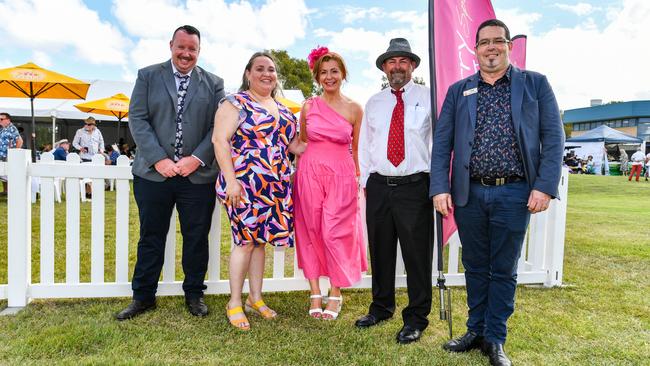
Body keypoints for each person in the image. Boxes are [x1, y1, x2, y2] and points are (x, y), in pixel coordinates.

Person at [430, 19, 564, 366]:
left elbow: (553, 137)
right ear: (474, 50)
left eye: (497, 41)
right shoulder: (459, 90)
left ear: (508, 46)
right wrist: (439, 187)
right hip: (469, 194)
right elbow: (442, 143)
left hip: (515, 192)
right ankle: (475, 330)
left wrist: (544, 187)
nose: (491, 48)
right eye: (484, 43)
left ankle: (495, 338)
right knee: (474, 265)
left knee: (503, 268)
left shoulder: (535, 84)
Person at [116, 25, 225, 321]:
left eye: (192, 49)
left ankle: (194, 294)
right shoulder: (148, 76)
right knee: (151, 235)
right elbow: (138, 119)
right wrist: (159, 159)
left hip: (196, 176)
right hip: (154, 175)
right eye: (181, 47)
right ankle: (143, 297)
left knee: (196, 236)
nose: (186, 53)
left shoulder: (214, 83)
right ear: (171, 45)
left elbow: (219, 126)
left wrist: (197, 158)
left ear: (199, 51)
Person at [213, 51, 303, 331]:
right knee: (244, 241)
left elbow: (294, 146)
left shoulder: (286, 109)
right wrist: (231, 180)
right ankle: (234, 302)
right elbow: (220, 140)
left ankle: (255, 298)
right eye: (260, 68)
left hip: (275, 185)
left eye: (272, 69)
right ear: (248, 74)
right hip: (243, 184)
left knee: (260, 241)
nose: (267, 73)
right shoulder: (235, 103)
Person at [356, 38, 433, 344]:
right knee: (381, 250)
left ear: (412, 66)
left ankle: (416, 318)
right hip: (379, 185)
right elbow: (364, 145)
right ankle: (381, 307)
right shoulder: (374, 102)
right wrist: (366, 184)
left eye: (403, 61)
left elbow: (437, 142)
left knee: (416, 255)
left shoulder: (429, 98)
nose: (397, 67)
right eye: (392, 62)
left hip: (414, 185)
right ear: (385, 68)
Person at [293, 47, 366, 320]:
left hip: (342, 175)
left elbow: (357, 149)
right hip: (309, 173)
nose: (329, 76)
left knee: (336, 232)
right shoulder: (309, 106)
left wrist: (358, 177)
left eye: (334, 71)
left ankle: (335, 292)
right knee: (310, 229)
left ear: (343, 74)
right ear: (317, 76)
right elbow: (303, 142)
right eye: (323, 72)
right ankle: (314, 290)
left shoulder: (355, 108)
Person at [0, 112, 24, 194]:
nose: (0, 121)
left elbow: (20, 141)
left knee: (8, 174)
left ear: (8, 120)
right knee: (3, 172)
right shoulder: (3, 128)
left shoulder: (12, 128)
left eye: (1, 119)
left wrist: (14, 154)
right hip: (2, 155)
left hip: (8, 155)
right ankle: (6, 190)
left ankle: (11, 192)